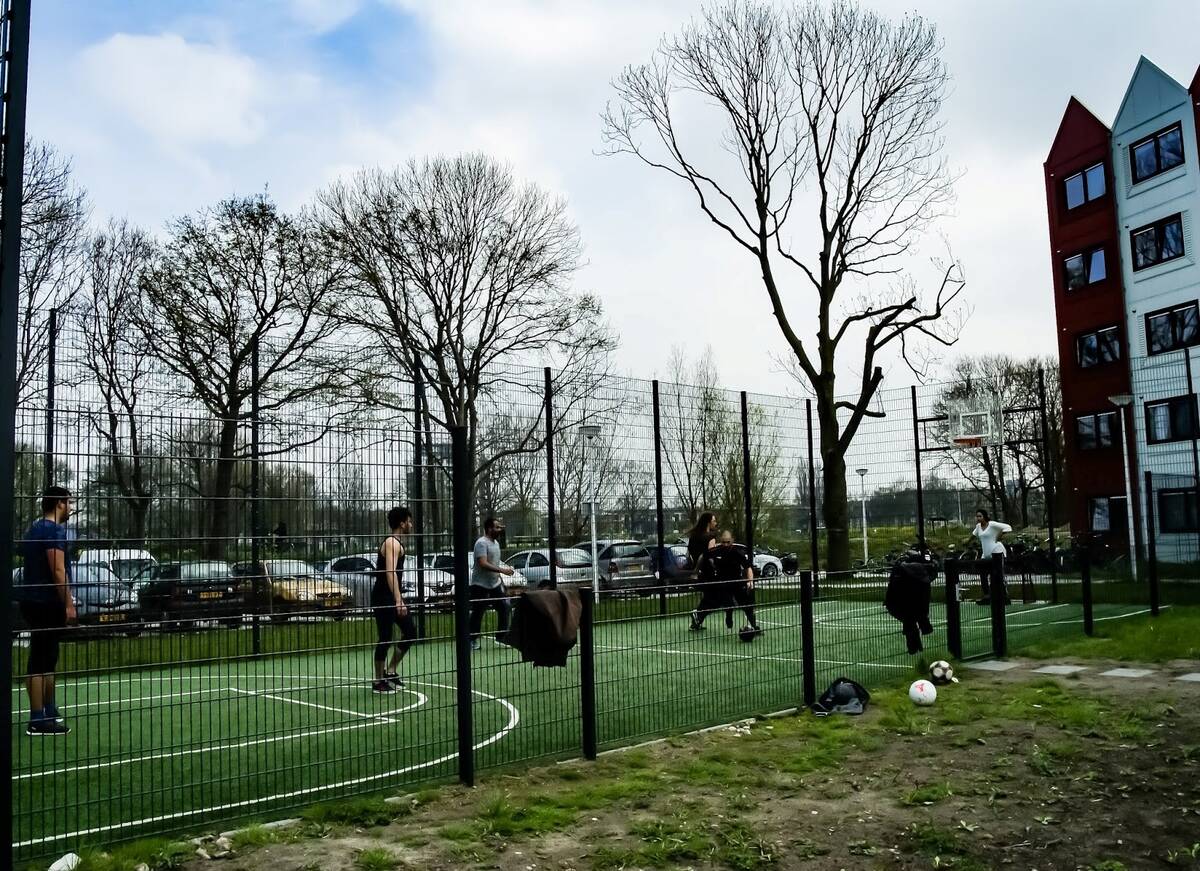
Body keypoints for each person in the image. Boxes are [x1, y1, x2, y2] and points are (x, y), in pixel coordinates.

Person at [17, 486, 76, 736]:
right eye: (69, 502)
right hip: (46, 602)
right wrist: (69, 603)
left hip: (32, 600)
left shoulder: (34, 529)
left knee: (47, 656)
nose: (71, 507)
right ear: (60, 503)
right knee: (41, 660)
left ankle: (48, 710)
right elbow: (58, 570)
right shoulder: (52, 530)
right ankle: (38, 719)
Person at [371, 506, 418, 694]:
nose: (411, 525)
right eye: (409, 521)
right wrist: (399, 600)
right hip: (383, 596)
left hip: (392, 595)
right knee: (385, 638)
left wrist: (398, 598)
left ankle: (390, 671)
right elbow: (390, 572)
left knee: (410, 631)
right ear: (402, 523)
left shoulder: (398, 543)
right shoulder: (391, 542)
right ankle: (378, 681)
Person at [692, 531, 760, 635]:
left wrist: (750, 581)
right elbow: (702, 556)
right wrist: (696, 572)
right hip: (721, 583)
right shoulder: (716, 550)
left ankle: (755, 627)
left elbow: (748, 568)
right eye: (723, 542)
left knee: (747, 605)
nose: (725, 544)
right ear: (720, 541)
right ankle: (699, 620)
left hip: (736, 582)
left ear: (732, 540)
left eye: (728, 542)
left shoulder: (737, 553)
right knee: (718, 602)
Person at [470, 516, 514, 650]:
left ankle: (501, 638)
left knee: (504, 607)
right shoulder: (481, 543)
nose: (500, 529)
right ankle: (471, 640)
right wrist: (503, 570)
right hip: (480, 585)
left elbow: (494, 564)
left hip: (494, 584)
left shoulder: (496, 544)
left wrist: (501, 581)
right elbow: (483, 563)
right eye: (497, 527)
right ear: (489, 529)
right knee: (478, 612)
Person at [971, 509, 1013, 605]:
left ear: (984, 516)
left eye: (980, 516)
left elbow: (1008, 527)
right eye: (977, 516)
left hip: (996, 552)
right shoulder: (978, 527)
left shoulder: (992, 524)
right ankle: (987, 596)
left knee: (998, 575)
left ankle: (1004, 596)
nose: (978, 518)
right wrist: (967, 542)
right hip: (985, 555)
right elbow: (973, 535)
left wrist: (999, 536)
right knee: (983, 575)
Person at [686, 512, 719, 631]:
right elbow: (711, 556)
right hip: (708, 571)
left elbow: (689, 554)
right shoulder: (710, 537)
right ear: (708, 522)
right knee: (715, 599)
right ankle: (698, 614)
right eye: (714, 521)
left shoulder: (693, 537)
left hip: (697, 571)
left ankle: (696, 622)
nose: (715, 523)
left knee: (708, 596)